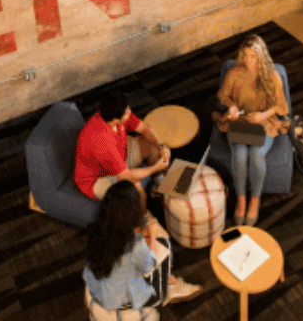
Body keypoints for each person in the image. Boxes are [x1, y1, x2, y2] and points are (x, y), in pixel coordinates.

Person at [83, 181, 201, 318]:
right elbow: (148, 265)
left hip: (97, 293)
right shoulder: (135, 245)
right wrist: (152, 234)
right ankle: (167, 288)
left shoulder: (97, 229)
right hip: (125, 305)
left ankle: (169, 282)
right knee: (163, 245)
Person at [213, 34, 289, 227]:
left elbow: (281, 106)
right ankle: (241, 201)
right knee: (239, 154)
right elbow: (224, 96)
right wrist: (231, 107)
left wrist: (263, 116)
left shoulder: (272, 76)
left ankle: (254, 201)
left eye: (252, 56)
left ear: (261, 56)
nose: (247, 60)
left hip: (264, 122)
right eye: (245, 55)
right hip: (240, 121)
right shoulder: (234, 73)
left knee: (255, 154)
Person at [74, 91, 170, 202]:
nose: (130, 112)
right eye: (126, 113)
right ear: (115, 119)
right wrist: (155, 168)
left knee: (152, 145)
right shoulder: (101, 142)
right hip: (97, 180)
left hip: (118, 156)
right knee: (137, 190)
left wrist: (161, 145)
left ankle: (159, 186)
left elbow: (144, 129)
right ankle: (146, 217)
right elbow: (126, 177)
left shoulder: (112, 115)